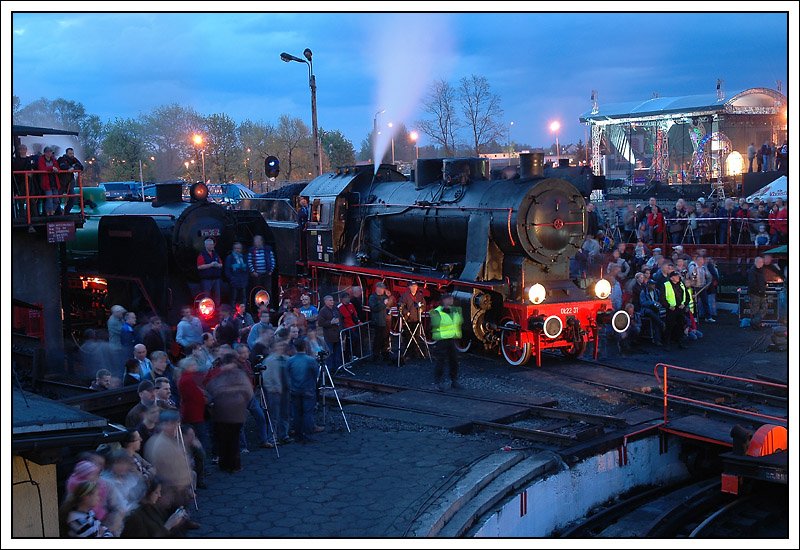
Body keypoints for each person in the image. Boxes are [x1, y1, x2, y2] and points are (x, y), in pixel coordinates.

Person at [205, 355, 253, 473]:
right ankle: (228, 464)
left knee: (231, 439)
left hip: (230, 412)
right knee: (227, 439)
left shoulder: (235, 375)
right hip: (225, 412)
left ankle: (231, 464)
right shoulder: (224, 375)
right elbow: (210, 388)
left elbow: (248, 391)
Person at [143, 410, 196, 517]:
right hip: (170, 491)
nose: (175, 427)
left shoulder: (175, 439)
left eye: (176, 423)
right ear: (163, 425)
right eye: (171, 424)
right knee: (175, 518)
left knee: (183, 515)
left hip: (181, 489)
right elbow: (163, 472)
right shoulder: (159, 444)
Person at [121, 476, 189, 538]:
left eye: (159, 492)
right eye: (156, 492)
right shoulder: (135, 517)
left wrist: (176, 522)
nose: (159, 495)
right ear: (147, 493)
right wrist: (168, 525)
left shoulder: (152, 508)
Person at [287, 338, 322, 443]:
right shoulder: (311, 360)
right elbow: (316, 375)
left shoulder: (290, 360)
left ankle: (298, 434)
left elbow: (287, 374)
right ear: (305, 347)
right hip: (308, 389)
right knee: (308, 413)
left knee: (297, 412)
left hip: (295, 389)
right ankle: (308, 434)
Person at [429, 293, 463, 391]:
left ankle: (454, 381)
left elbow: (459, 321)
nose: (451, 300)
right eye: (449, 299)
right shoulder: (436, 312)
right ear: (444, 301)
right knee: (441, 361)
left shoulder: (455, 310)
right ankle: (438, 382)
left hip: (451, 339)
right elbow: (436, 323)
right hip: (442, 339)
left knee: (454, 361)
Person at [660, 270, 690, 350]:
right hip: (671, 309)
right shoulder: (666, 285)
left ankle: (680, 342)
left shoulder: (682, 284)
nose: (678, 277)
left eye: (678, 276)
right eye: (676, 276)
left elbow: (687, 296)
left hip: (680, 309)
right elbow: (662, 298)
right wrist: (668, 306)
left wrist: (684, 304)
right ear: (671, 278)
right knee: (669, 327)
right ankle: (667, 344)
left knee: (681, 326)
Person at [318, 294, 342, 373]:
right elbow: (320, 323)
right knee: (330, 353)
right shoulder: (323, 311)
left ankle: (337, 368)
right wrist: (330, 322)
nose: (332, 301)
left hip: (337, 334)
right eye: (330, 300)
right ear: (325, 302)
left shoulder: (335, 308)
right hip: (329, 335)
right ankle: (329, 369)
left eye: (332, 300)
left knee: (337, 353)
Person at [197, 237, 223, 306]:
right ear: (206, 245)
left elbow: (221, 264)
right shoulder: (202, 255)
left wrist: (217, 265)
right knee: (207, 295)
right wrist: (210, 265)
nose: (212, 246)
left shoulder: (215, 254)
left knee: (217, 295)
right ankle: (207, 308)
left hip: (216, 279)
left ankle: (217, 307)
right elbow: (199, 267)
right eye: (210, 245)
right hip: (206, 279)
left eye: (212, 244)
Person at [57, 147, 84, 214]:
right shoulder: (61, 159)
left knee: (72, 197)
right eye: (70, 153)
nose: (72, 155)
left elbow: (81, 166)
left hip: (70, 181)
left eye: (72, 153)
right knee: (58, 198)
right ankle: (58, 212)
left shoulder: (74, 159)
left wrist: (73, 168)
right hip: (61, 181)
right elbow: (62, 166)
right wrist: (69, 168)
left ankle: (67, 211)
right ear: (66, 153)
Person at [368, 282, 390, 363]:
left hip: (385, 320)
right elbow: (374, 308)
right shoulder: (372, 297)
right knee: (378, 339)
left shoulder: (384, 296)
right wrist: (383, 304)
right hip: (377, 321)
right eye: (382, 288)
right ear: (377, 288)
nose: (383, 290)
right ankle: (376, 356)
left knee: (385, 338)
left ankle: (385, 354)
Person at [224, 241, 249, 308]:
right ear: (233, 249)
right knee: (233, 298)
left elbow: (247, 269)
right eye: (236, 248)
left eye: (239, 248)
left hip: (243, 281)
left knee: (243, 298)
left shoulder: (244, 258)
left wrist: (246, 278)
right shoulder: (230, 258)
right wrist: (232, 279)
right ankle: (233, 311)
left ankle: (243, 311)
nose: (237, 250)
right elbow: (227, 270)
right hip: (234, 282)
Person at [37, 146, 61, 216]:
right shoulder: (41, 160)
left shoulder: (54, 160)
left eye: (50, 152)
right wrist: (51, 168)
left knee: (56, 199)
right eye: (47, 152)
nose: (49, 153)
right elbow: (41, 168)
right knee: (49, 198)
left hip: (54, 181)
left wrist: (56, 169)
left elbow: (57, 168)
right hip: (46, 182)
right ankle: (48, 213)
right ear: (44, 153)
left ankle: (52, 211)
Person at [747, 256, 768, 330]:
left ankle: (755, 323)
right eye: (761, 262)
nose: (762, 263)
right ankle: (755, 325)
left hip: (760, 293)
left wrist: (765, 284)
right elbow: (752, 283)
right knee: (755, 310)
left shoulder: (760, 270)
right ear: (757, 262)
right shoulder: (752, 271)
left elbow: (761, 280)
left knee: (763, 308)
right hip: (755, 294)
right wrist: (759, 290)